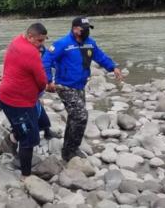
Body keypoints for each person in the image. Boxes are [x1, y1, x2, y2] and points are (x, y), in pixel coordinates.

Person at [43, 17, 123, 161]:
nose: (86, 31)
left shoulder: (90, 44)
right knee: (81, 116)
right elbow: (46, 60)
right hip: (64, 86)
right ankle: (71, 150)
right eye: (83, 29)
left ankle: (68, 149)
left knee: (74, 118)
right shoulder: (63, 44)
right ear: (75, 29)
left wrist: (113, 67)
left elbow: (101, 57)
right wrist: (48, 81)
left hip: (80, 86)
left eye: (88, 28)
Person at [0, 23, 48, 179]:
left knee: (40, 121)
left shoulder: (16, 40)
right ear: (30, 37)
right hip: (18, 101)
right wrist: (45, 86)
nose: (41, 45)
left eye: (44, 41)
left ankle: (12, 139)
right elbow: (41, 81)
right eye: (39, 41)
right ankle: (26, 176)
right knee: (29, 139)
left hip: (7, 95)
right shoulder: (30, 52)